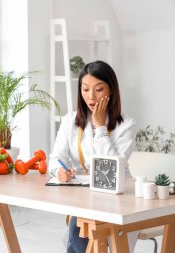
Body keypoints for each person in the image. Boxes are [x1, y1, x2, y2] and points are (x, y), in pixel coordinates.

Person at [48, 60, 137, 253]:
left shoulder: (126, 125)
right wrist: (59, 171)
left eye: (98, 89)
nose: (91, 96)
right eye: (85, 89)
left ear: (111, 90)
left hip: (118, 199)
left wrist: (100, 127)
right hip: (84, 198)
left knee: (78, 232)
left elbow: (112, 169)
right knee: (79, 231)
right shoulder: (70, 121)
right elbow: (55, 157)